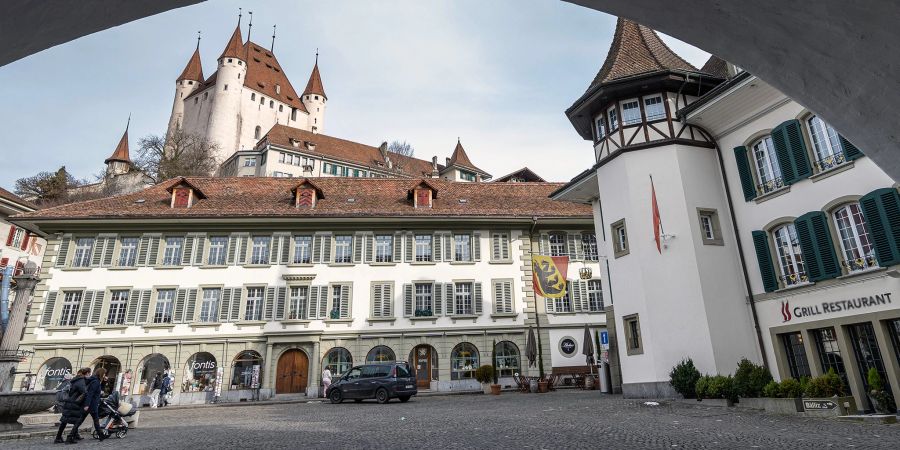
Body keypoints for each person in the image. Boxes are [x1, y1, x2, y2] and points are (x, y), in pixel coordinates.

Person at [55, 368, 87, 444]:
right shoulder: (81, 381)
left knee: (65, 420)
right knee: (77, 420)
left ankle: (58, 437)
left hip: (69, 402)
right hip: (74, 403)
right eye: (88, 373)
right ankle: (70, 437)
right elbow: (84, 392)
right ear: (85, 374)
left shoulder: (73, 380)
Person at [77, 367, 109, 442]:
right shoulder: (95, 381)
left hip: (91, 404)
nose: (105, 375)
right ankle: (101, 435)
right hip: (92, 404)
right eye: (104, 374)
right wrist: (87, 405)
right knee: (95, 420)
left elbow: (100, 392)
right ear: (101, 374)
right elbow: (90, 394)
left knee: (82, 420)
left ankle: (101, 436)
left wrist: (104, 382)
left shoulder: (95, 380)